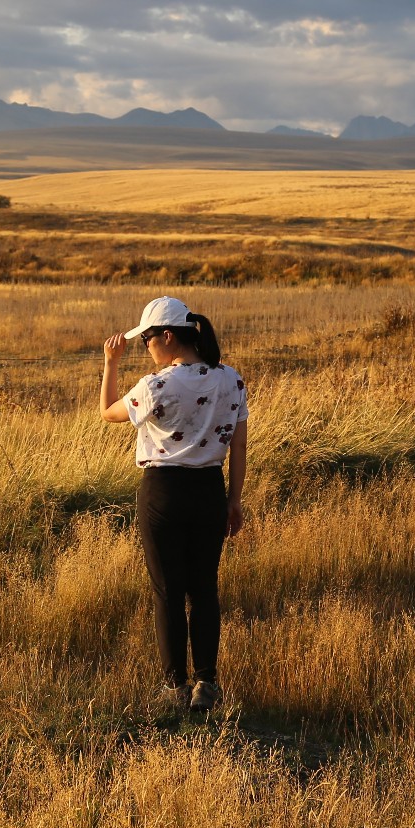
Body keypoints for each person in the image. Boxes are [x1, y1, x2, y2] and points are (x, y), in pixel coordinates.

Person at [100, 295, 248, 714]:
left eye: (147, 340)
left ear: (168, 336)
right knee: (204, 589)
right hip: (210, 491)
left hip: (163, 491)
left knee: (167, 591)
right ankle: (207, 683)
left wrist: (111, 363)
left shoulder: (156, 385)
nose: (147, 348)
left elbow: (106, 412)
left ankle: (174, 688)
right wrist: (233, 500)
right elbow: (238, 446)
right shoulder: (231, 380)